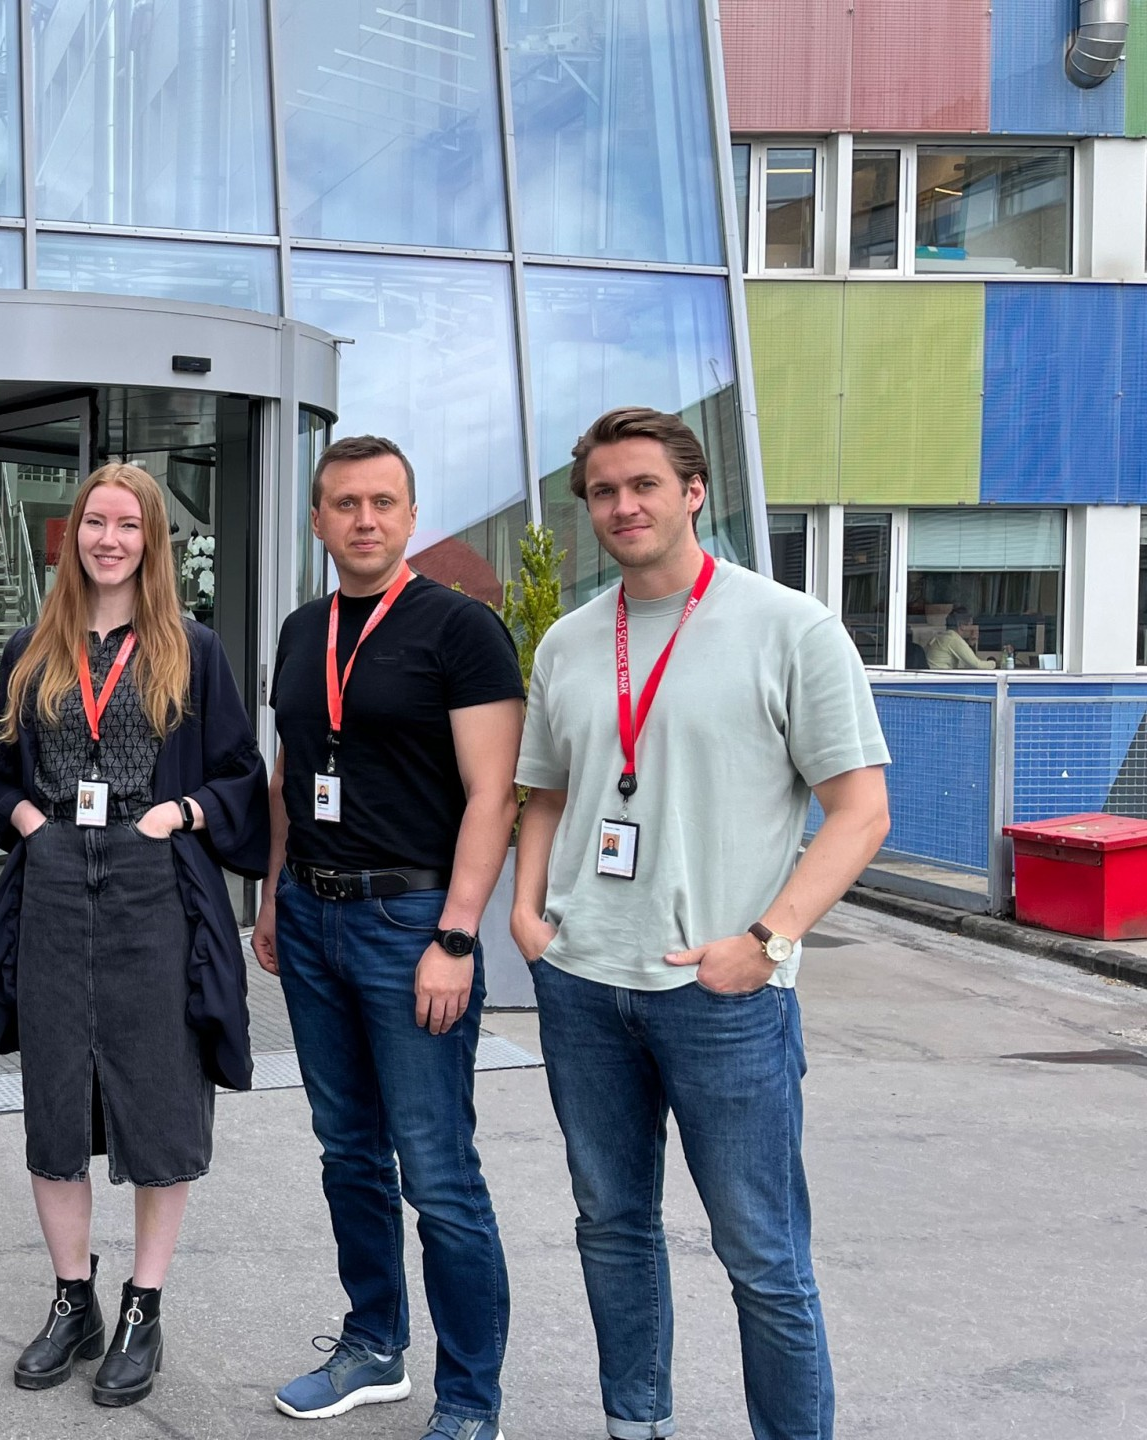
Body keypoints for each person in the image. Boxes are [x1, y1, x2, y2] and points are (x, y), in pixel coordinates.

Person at [512, 407, 890, 1440]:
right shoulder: (570, 642)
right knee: (611, 1229)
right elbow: (543, 791)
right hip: (585, 981)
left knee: (762, 1255)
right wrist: (527, 911)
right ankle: (635, 1426)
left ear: (691, 492)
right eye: (601, 491)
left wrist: (763, 944)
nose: (621, 505)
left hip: (722, 993)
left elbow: (859, 812)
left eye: (642, 484)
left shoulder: (791, 627)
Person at [0, 461, 267, 1409]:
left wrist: (176, 815)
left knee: (158, 1088)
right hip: (55, 875)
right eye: (94, 522)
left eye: (127, 524)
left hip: (152, 877)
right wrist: (26, 825)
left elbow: (238, 770)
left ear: (151, 541)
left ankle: (144, 1303)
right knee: (56, 1091)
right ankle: (73, 1297)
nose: (108, 538)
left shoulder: (193, 649)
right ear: (71, 537)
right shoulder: (32, 646)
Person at [253, 436, 523, 1440]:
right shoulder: (297, 628)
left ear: (410, 517)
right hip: (314, 917)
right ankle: (372, 1346)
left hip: (412, 920)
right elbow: (291, 771)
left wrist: (455, 935)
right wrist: (275, 895)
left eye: (382, 502)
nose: (363, 519)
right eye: (343, 504)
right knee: (346, 1152)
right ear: (317, 520)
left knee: (437, 1170)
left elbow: (493, 793)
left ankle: (468, 1400)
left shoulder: (460, 630)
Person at [924, 609, 998, 670]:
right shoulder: (953, 639)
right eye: (971, 625)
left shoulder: (942, 636)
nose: (973, 628)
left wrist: (971, 643)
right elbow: (977, 665)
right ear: (962, 626)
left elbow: (965, 663)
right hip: (940, 681)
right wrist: (995, 663)